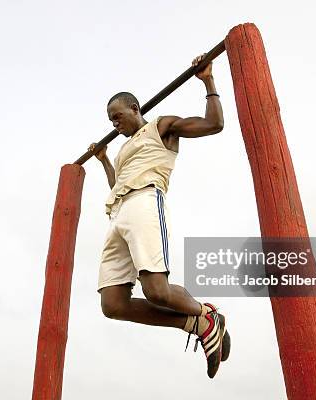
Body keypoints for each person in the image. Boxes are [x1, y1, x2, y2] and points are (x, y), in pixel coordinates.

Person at [88, 54, 230, 378]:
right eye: (110, 121)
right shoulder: (124, 149)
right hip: (118, 210)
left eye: (117, 116)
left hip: (143, 203)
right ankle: (195, 322)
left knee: (157, 291)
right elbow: (117, 183)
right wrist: (104, 159)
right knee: (112, 304)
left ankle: (206, 318)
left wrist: (207, 80)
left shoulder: (161, 127)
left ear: (134, 108)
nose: (114, 124)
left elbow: (214, 124)